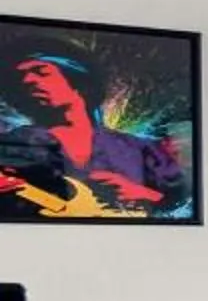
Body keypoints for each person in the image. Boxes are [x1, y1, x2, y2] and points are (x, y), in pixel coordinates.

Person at [0, 50, 191, 220]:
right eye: (21, 78)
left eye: (41, 72)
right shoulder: (13, 144)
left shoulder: (140, 148)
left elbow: (184, 198)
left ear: (78, 82)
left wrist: (146, 195)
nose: (29, 80)